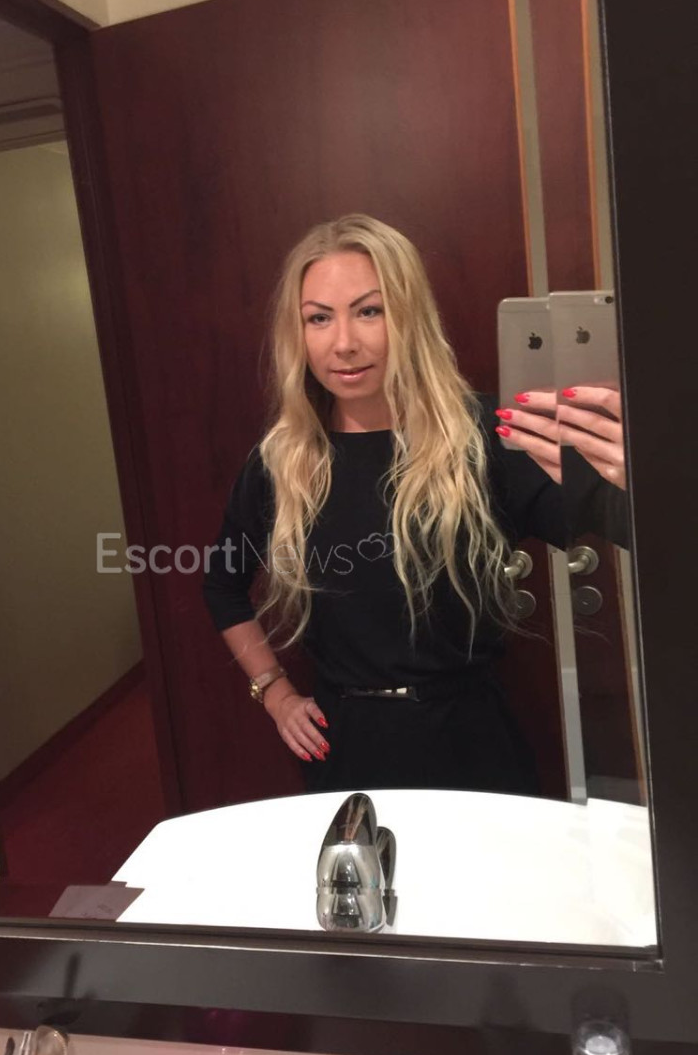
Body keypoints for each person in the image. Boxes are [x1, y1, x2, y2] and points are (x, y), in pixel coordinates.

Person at [202, 215, 626, 795]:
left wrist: (629, 474)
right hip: (345, 748)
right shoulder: (283, 462)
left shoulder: (485, 436)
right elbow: (222, 585)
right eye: (318, 318)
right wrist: (274, 691)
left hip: (472, 744)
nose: (343, 342)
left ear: (409, 318)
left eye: (369, 311)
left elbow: (633, 533)